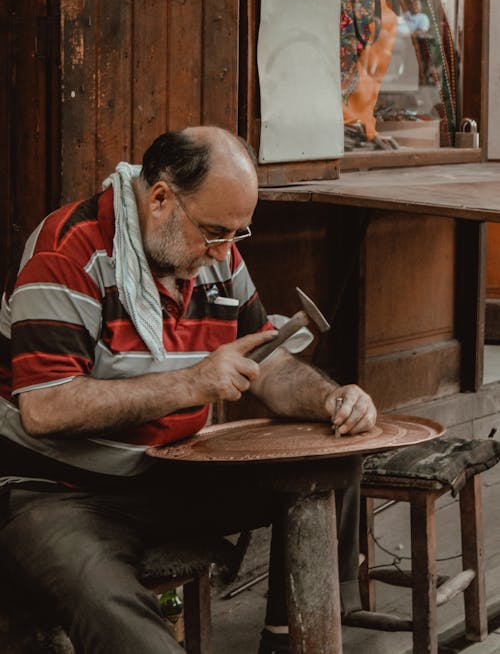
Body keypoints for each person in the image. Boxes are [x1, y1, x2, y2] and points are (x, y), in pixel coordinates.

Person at [0, 126, 376, 654]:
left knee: (334, 461)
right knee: (111, 608)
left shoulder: (215, 259)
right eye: (216, 232)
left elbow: (266, 366)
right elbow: (44, 407)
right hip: (60, 494)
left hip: (174, 471)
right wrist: (194, 382)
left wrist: (332, 400)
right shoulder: (68, 252)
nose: (225, 254)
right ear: (160, 200)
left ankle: (288, 641)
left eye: (236, 236)